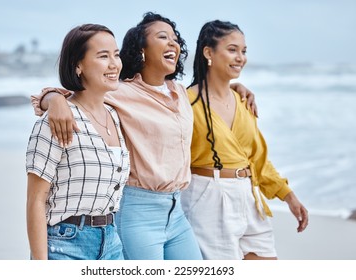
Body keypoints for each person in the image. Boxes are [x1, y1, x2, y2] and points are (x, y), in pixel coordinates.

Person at [30, 12, 256, 260]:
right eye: (163, 37)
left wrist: (234, 87)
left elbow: (209, 93)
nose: (173, 43)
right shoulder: (121, 92)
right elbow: (78, 95)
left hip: (176, 210)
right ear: (142, 50)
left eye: (174, 38)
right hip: (138, 209)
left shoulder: (180, 92)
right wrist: (53, 99)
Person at [180, 20, 309, 260]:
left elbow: (256, 158)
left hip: (248, 195)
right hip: (207, 198)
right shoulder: (185, 101)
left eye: (244, 51)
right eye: (232, 50)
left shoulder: (243, 101)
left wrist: (288, 195)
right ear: (208, 52)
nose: (240, 57)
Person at [26, 23, 130, 260]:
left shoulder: (113, 116)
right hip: (66, 244)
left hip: (111, 242)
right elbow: (36, 200)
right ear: (78, 65)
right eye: (103, 56)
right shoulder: (57, 120)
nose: (114, 64)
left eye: (116, 54)